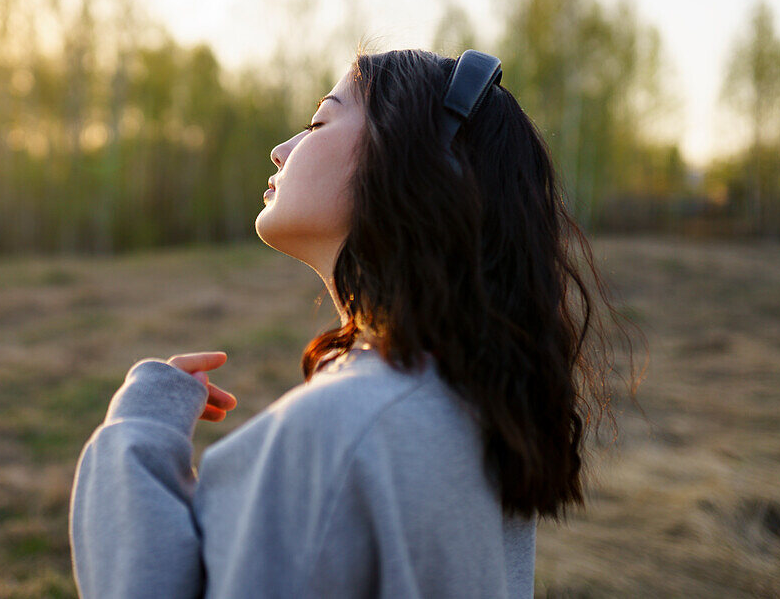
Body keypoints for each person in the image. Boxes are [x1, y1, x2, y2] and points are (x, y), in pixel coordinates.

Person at [69, 48, 643, 598]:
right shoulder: (481, 407)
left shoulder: (340, 431)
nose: (280, 149)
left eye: (319, 123)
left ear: (406, 167)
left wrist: (140, 430)